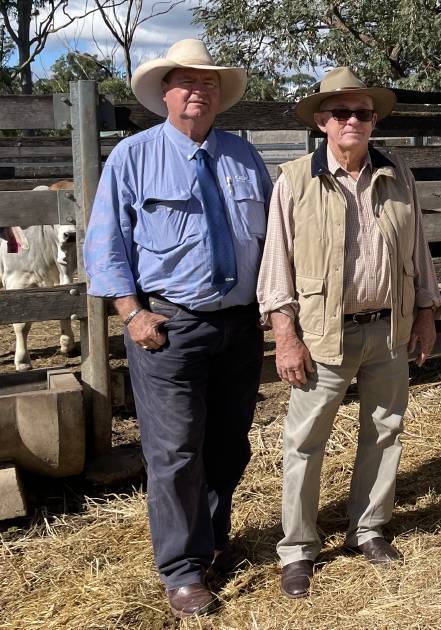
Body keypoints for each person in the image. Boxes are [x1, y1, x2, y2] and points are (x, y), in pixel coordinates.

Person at [82, 39, 271, 618]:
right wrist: (132, 314)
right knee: (174, 452)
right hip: (170, 325)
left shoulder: (244, 156)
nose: (199, 91)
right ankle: (181, 570)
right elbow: (106, 244)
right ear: (164, 92)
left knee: (228, 445)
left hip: (239, 325)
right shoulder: (133, 157)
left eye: (209, 82)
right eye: (186, 81)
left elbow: (276, 238)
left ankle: (213, 543)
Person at [257, 67, 441, 598]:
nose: (353, 121)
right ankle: (298, 549)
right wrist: (284, 335)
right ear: (322, 122)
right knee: (305, 441)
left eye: (363, 113)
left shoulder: (396, 174)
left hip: (389, 328)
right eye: (341, 112)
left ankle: (368, 529)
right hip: (321, 334)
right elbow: (277, 266)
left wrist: (427, 311)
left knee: (385, 430)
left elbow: (418, 252)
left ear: (374, 122)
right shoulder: (295, 180)